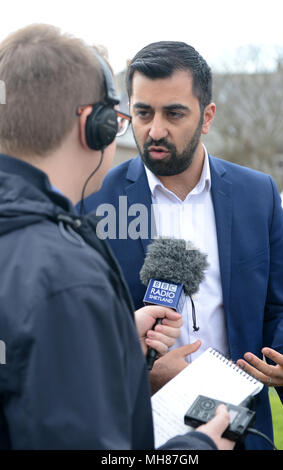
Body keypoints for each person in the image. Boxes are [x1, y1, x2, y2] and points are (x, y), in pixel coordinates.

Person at [0, 25, 234, 450]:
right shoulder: (67, 276)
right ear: (96, 126)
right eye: (129, 117)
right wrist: (198, 448)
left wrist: (116, 340)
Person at [82, 41, 283, 450]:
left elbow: (279, 308)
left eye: (174, 113)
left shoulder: (259, 194)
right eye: (143, 113)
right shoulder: (94, 201)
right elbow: (77, 335)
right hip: (138, 434)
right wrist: (138, 375)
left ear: (207, 117)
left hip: (244, 430)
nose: (155, 129)